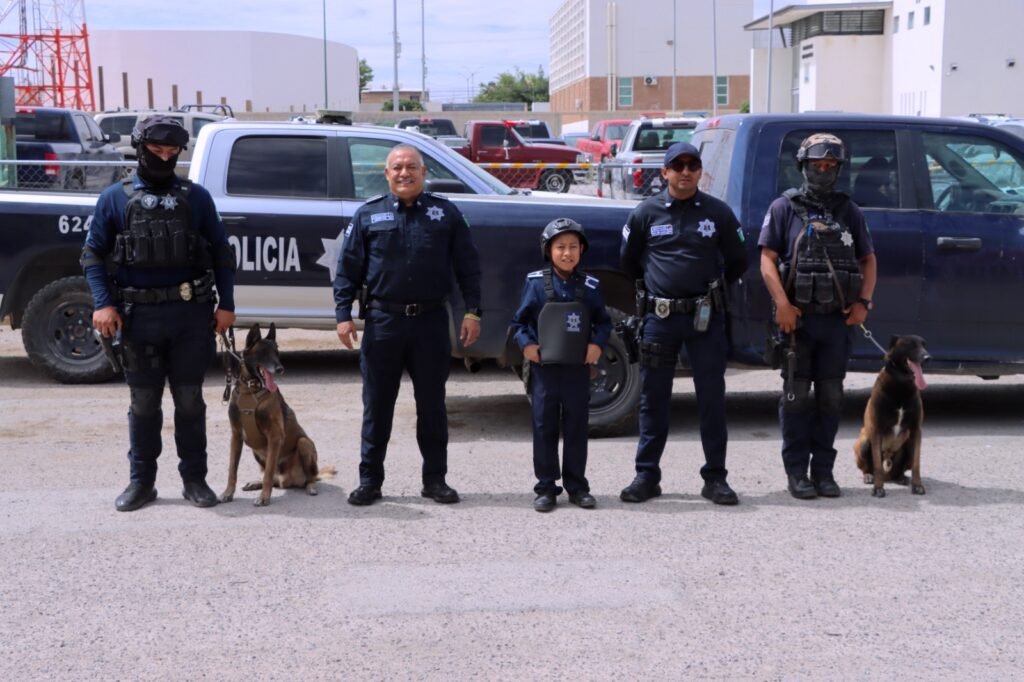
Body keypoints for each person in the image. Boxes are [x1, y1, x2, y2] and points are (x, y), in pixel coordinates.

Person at [81, 115, 236, 512]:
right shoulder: (115, 198)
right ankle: (142, 482)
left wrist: (227, 304)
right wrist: (102, 303)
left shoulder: (197, 198)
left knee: (189, 400)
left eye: (171, 152)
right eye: (156, 151)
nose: (164, 158)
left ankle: (195, 479)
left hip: (189, 316)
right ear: (139, 149)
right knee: (144, 403)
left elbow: (222, 253)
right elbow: (93, 255)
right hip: (139, 319)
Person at [334, 144, 482, 506]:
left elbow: (468, 266)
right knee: (377, 406)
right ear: (386, 174)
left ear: (423, 172)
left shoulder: (445, 213)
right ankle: (370, 481)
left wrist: (473, 312)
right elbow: (348, 268)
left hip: (431, 323)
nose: (405, 173)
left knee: (432, 406)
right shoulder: (368, 215)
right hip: (383, 322)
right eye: (397, 167)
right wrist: (343, 315)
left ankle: (435, 480)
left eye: (412, 167)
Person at [619, 142, 748, 505]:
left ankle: (715, 478)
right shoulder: (645, 213)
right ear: (665, 172)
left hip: (705, 319)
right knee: (653, 399)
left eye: (692, 165)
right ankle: (647, 476)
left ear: (700, 171)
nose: (686, 172)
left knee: (711, 399)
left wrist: (712, 290)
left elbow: (739, 259)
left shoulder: (718, 213)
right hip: (659, 319)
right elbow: (628, 262)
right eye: (678, 166)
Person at [758, 132, 877, 500]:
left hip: (836, 323)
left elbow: (868, 259)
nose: (823, 171)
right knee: (795, 397)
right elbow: (767, 260)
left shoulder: (848, 211)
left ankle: (823, 472)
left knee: (830, 397)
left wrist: (863, 302)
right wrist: (782, 304)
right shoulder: (784, 208)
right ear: (803, 166)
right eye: (816, 165)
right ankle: (797, 473)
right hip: (797, 322)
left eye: (830, 165)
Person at [510, 218, 612, 512]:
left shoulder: (590, 286)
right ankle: (546, 487)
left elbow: (603, 323)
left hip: (577, 369)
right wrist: (527, 345)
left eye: (573, 247)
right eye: (560, 247)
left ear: (582, 250)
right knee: (544, 426)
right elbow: (519, 322)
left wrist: (596, 344)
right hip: (545, 370)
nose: (567, 253)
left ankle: (577, 486)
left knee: (577, 426)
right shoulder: (535, 284)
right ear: (548, 250)